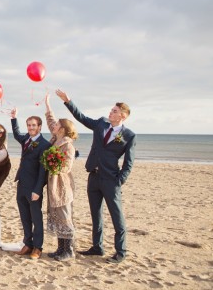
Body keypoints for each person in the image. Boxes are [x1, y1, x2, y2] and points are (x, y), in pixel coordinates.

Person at [56, 89, 136, 264]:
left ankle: (120, 251)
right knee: (96, 214)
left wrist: (120, 179)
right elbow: (82, 118)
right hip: (94, 176)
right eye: (111, 110)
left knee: (117, 217)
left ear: (122, 115)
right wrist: (68, 101)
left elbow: (129, 162)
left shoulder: (129, 135)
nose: (111, 112)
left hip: (111, 180)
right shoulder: (101, 124)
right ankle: (97, 247)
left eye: (115, 111)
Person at [10, 108, 51, 259]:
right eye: (29, 125)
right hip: (21, 184)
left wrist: (37, 190)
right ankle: (27, 244)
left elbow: (43, 171)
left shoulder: (44, 145)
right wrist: (14, 119)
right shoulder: (26, 139)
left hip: (34, 187)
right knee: (24, 217)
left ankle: (37, 247)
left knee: (36, 218)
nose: (31, 128)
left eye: (33, 125)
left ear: (40, 127)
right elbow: (15, 134)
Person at [44, 93, 78, 261]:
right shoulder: (55, 138)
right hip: (52, 185)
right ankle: (60, 249)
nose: (54, 125)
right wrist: (47, 104)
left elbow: (67, 166)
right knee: (57, 216)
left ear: (63, 129)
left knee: (65, 216)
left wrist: (51, 165)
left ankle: (69, 250)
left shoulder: (68, 146)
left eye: (57, 124)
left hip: (62, 186)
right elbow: (50, 120)